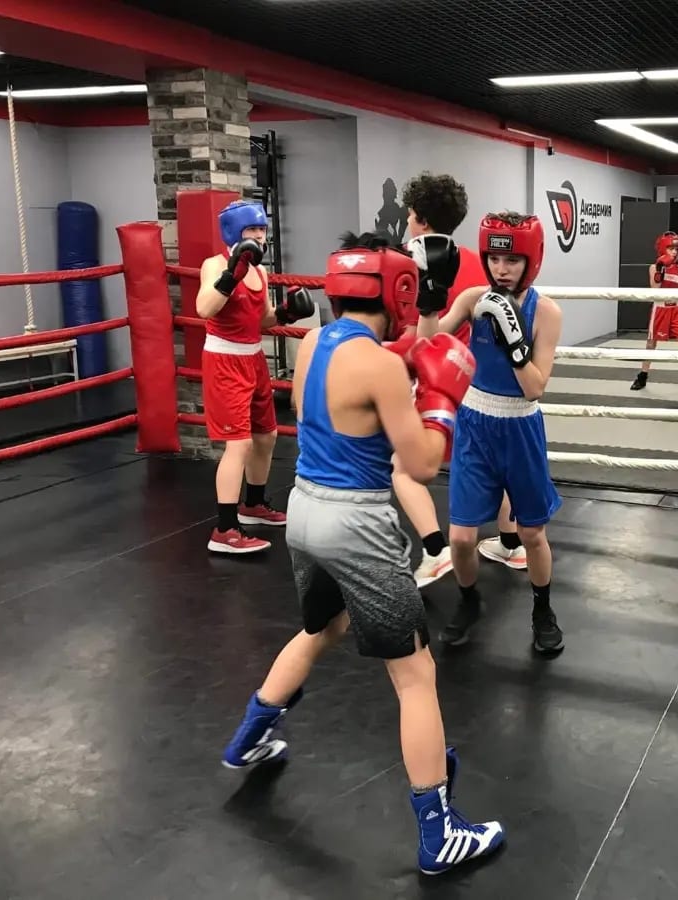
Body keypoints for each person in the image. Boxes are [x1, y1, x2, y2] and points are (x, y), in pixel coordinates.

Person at [221, 231, 505, 876]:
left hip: (304, 511)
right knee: (416, 675)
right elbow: (422, 464)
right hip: (357, 526)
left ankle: (250, 737)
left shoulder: (316, 342)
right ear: (398, 289)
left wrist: (415, 352)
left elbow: (352, 391)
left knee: (322, 627)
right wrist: (441, 400)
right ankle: (439, 833)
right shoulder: (378, 367)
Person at [415, 212, 565, 654]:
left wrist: (513, 342)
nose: (502, 269)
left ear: (531, 261)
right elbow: (427, 347)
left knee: (532, 534)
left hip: (521, 427)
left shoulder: (546, 312)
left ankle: (542, 610)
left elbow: (535, 387)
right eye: (495, 259)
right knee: (462, 538)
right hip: (475, 423)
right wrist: (429, 303)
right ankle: (469, 601)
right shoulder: (473, 298)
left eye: (512, 260)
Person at [395, 172, 524, 587]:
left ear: (422, 220)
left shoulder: (408, 261)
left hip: (436, 382)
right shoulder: (477, 262)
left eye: (411, 215)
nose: (408, 222)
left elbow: (418, 337)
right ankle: (511, 543)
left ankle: (436, 551)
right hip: (478, 383)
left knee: (403, 468)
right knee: (496, 465)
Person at [196, 200, 316, 554]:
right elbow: (204, 308)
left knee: (266, 435)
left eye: (262, 230)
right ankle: (225, 529)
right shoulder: (214, 265)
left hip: (254, 358)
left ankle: (254, 504)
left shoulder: (260, 272)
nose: (260, 236)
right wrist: (231, 275)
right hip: (224, 360)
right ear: (234, 232)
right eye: (252, 230)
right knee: (239, 444)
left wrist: (286, 313)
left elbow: (262, 320)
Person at [629, 231, 678, 396]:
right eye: (671, 248)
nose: (674, 252)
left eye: (676, 249)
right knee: (651, 345)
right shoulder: (654, 267)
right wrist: (660, 270)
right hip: (660, 309)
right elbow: (655, 289)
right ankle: (642, 376)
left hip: (676, 309)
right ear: (663, 249)